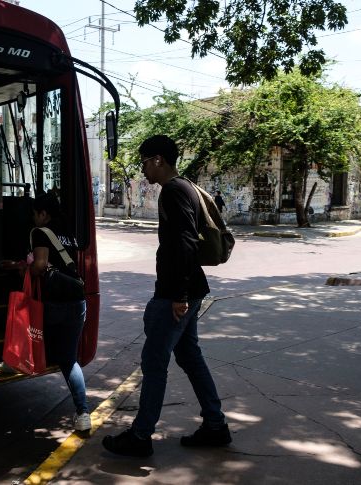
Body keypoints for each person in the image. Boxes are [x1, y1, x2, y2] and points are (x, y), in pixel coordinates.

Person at [102, 135, 230, 458]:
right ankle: (215, 425)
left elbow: (186, 242)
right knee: (189, 356)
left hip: (177, 292)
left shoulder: (173, 191)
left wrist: (179, 295)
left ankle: (140, 436)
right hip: (189, 288)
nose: (143, 169)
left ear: (158, 160)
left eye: (144, 162)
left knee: (154, 361)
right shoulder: (185, 187)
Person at [27, 192, 91, 432]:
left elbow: (41, 265)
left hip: (54, 303)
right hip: (77, 301)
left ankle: (13, 360)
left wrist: (24, 269)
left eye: (35, 214)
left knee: (30, 332)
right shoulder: (68, 232)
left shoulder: (40, 232)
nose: (34, 219)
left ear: (43, 214)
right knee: (69, 360)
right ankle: (83, 413)